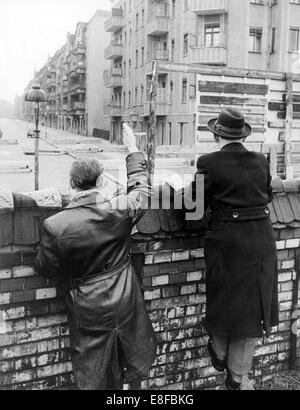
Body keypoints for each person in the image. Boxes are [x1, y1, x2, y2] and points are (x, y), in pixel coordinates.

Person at [35, 123, 157, 390]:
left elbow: (45, 268)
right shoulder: (118, 211)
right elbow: (142, 192)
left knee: (96, 375)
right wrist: (133, 149)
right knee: (132, 365)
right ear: (101, 182)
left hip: (87, 309)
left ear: (71, 184)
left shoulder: (55, 226)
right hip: (125, 299)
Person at [193, 108, 278, 390]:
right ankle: (237, 376)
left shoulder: (208, 162)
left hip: (228, 244)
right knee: (252, 308)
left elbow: (193, 209)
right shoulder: (261, 161)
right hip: (262, 242)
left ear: (216, 135)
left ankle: (219, 355)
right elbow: (269, 193)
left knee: (223, 300)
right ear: (243, 136)